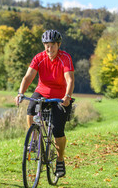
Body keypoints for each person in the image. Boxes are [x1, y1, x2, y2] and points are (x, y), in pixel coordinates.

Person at [15, 29, 74, 178]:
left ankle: (60, 160)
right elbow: (28, 77)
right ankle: (34, 139)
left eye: (52, 45)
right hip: (42, 91)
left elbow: (70, 80)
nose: (49, 48)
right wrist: (21, 93)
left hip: (60, 96)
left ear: (58, 45)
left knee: (57, 131)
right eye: (46, 45)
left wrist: (67, 96)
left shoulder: (65, 58)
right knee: (30, 110)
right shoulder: (39, 58)